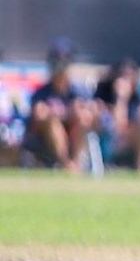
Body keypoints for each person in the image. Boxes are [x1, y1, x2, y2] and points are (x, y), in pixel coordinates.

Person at [23, 38, 97, 172]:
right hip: (46, 141)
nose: (59, 69)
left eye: (63, 63)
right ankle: (66, 164)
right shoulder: (42, 93)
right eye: (55, 63)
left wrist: (73, 113)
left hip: (74, 138)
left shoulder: (78, 92)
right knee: (53, 123)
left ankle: (76, 163)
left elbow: (90, 116)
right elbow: (39, 116)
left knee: (83, 119)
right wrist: (67, 113)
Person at [93, 59, 140, 171]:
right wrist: (120, 99)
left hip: (134, 139)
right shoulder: (104, 93)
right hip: (109, 141)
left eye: (128, 76)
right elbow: (116, 129)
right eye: (121, 75)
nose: (124, 80)